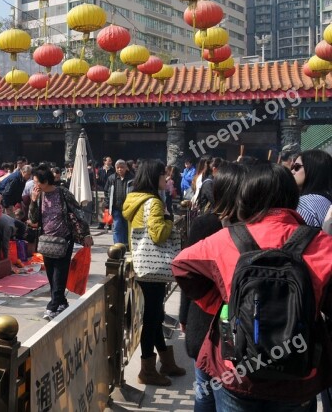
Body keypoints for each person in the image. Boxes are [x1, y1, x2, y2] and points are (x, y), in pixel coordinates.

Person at [174, 164, 332, 409]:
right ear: (293, 197)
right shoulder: (321, 242)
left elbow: (181, 265)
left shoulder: (227, 239)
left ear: (247, 195)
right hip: (300, 372)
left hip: (238, 371)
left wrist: (224, 299)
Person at [178, 161, 246, 412]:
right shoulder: (253, 226)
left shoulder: (205, 224)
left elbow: (188, 276)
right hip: (237, 326)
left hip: (204, 319)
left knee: (204, 393)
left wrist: (184, 315)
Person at [122, 159, 184, 386]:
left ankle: (166, 362)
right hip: (154, 266)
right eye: (163, 175)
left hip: (142, 265)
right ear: (153, 177)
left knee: (154, 315)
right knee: (151, 318)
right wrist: (170, 221)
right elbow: (158, 235)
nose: (166, 180)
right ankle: (147, 369)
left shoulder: (134, 200)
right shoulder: (154, 203)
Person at [29, 165, 93, 320]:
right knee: (51, 274)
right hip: (46, 240)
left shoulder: (62, 193)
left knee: (59, 273)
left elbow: (79, 213)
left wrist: (86, 234)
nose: (34, 184)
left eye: (36, 181)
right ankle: (62, 302)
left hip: (64, 239)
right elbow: (34, 219)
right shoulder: (40, 196)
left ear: (45, 182)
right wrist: (33, 201)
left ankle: (52, 307)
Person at [292, 149, 332, 227]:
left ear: (312, 169)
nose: (292, 171)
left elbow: (296, 238)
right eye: (292, 167)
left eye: (297, 167)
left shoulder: (303, 204)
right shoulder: (327, 201)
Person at [105, 160, 133, 245]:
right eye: (118, 167)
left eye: (122, 167)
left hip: (128, 208)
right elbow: (106, 191)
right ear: (116, 168)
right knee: (117, 227)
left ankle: (126, 244)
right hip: (116, 207)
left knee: (126, 226)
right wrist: (107, 203)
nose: (120, 169)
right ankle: (118, 245)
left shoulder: (132, 178)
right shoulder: (111, 178)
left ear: (126, 168)